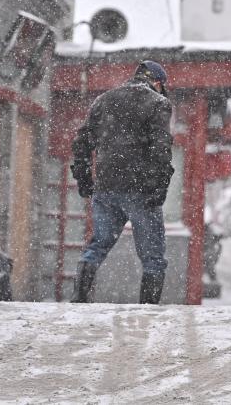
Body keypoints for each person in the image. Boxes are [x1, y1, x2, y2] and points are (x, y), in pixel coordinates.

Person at [70, 60, 174, 304]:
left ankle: (80, 298)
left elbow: (82, 143)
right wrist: (160, 184)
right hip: (141, 190)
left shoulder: (103, 100)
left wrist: (84, 178)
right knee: (153, 257)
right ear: (157, 83)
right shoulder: (158, 104)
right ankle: (147, 309)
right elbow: (161, 148)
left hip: (106, 188)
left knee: (98, 245)